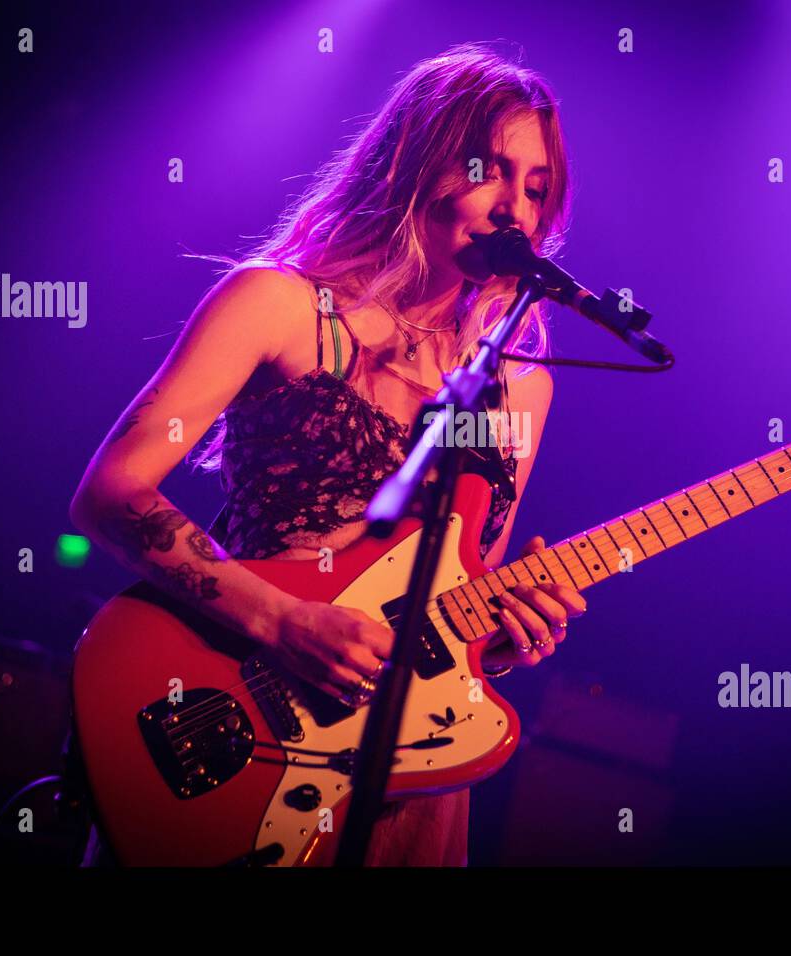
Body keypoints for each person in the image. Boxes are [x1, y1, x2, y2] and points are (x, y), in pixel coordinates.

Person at [68, 42, 587, 866]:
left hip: (410, 779)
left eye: (536, 188)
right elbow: (111, 492)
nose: (515, 210)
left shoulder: (521, 387)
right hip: (238, 714)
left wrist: (510, 633)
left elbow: (464, 590)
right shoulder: (274, 306)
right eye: (493, 170)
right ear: (417, 162)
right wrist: (283, 620)